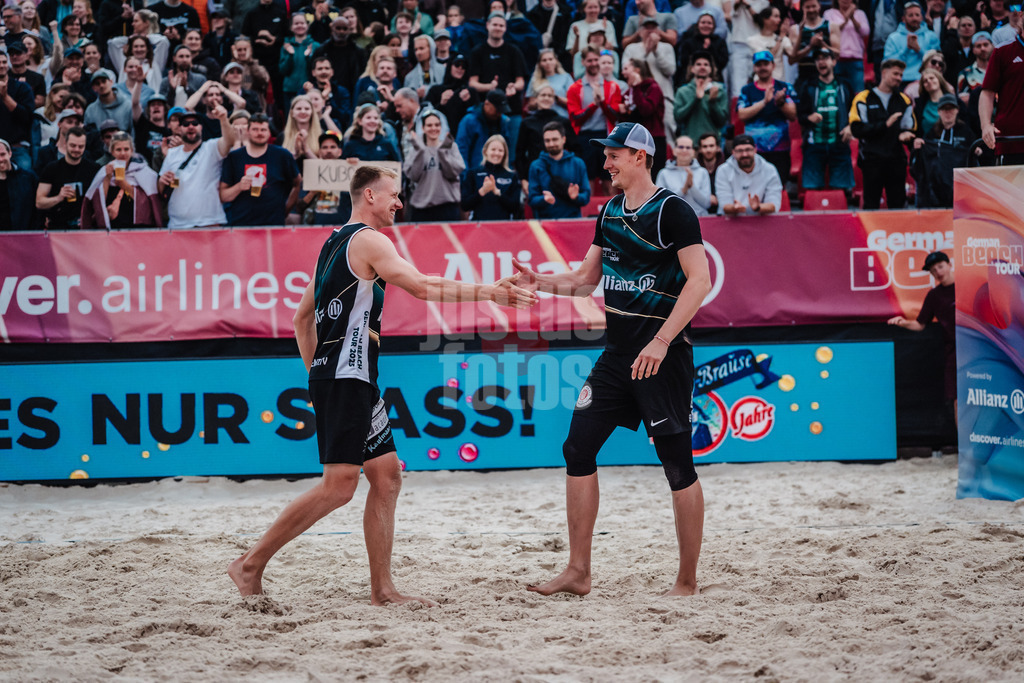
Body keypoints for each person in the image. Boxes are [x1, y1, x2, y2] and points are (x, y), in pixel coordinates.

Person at [227, 165, 536, 601]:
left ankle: (382, 589)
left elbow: (301, 320)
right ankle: (249, 564)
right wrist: (488, 292)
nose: (399, 203)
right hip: (346, 376)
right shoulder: (371, 240)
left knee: (387, 476)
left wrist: (318, 375)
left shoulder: (332, 243)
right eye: (393, 194)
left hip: (347, 376)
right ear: (369, 195)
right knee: (339, 487)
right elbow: (422, 286)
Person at [513, 121, 710, 599]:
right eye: (606, 155)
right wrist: (539, 280)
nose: (606, 163)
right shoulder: (609, 212)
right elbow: (584, 280)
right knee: (577, 449)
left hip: (661, 357)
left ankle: (686, 581)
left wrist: (662, 341)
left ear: (640, 157)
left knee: (677, 465)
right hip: (617, 354)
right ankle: (578, 571)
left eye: (614, 155)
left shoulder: (674, 212)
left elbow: (699, 282)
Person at [888, 251, 956, 417]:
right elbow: (920, 324)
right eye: (933, 270)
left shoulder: (968, 286)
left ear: (949, 265)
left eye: (940, 266)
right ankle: (964, 442)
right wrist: (903, 322)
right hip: (954, 354)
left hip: (979, 350)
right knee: (957, 398)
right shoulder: (934, 295)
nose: (938, 272)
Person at [850, 59, 916, 209]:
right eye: (895, 74)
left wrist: (906, 136)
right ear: (884, 73)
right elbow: (857, 129)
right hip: (871, 160)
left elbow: (909, 128)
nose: (899, 78)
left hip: (896, 161)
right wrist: (884, 125)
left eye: (900, 75)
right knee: (871, 205)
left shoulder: (904, 100)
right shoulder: (863, 98)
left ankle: (898, 233)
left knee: (898, 205)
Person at [158, 105, 237, 229]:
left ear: (201, 127)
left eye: (195, 123)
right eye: (185, 124)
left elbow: (230, 141)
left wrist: (223, 119)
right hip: (178, 224)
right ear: (180, 128)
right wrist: (162, 181)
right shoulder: (171, 154)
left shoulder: (211, 147)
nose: (190, 126)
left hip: (209, 222)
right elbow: (161, 189)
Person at [220, 113, 301, 227]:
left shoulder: (282, 155)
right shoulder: (234, 157)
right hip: (241, 225)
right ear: (247, 131)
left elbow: (297, 183)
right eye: (255, 129)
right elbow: (223, 196)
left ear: (269, 132)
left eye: (263, 129)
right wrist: (239, 187)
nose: (259, 133)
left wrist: (285, 210)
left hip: (274, 225)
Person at [466, 12, 528, 153]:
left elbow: (521, 82)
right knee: (485, 154)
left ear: (505, 28)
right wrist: (489, 87)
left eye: (501, 25)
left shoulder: (513, 51)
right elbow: (472, 83)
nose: (498, 28)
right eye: (495, 24)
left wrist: (513, 86)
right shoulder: (478, 52)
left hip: (511, 109)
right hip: (485, 112)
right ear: (487, 26)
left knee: (510, 154)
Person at [796, 47, 854, 195]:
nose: (821, 62)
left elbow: (855, 111)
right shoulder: (808, 85)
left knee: (841, 190)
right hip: (814, 144)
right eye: (818, 59)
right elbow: (800, 115)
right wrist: (809, 118)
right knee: (812, 190)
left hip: (839, 143)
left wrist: (850, 127)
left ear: (834, 61)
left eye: (825, 58)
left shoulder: (844, 85)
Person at [736, 50, 798, 187]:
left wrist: (780, 103)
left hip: (780, 149)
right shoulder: (747, 90)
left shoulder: (784, 87)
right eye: (759, 65)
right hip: (754, 152)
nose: (762, 67)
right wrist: (764, 102)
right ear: (754, 68)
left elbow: (793, 115)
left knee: (779, 187)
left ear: (773, 65)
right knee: (755, 187)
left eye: (766, 64)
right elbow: (742, 115)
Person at [567, 46, 622, 192]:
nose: (593, 63)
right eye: (589, 60)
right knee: (587, 181)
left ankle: (612, 214)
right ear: (583, 62)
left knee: (610, 180)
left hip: (607, 136)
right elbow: (575, 118)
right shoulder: (575, 88)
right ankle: (588, 214)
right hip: (585, 137)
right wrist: (594, 105)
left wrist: (602, 103)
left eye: (596, 60)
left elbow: (615, 116)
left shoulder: (612, 87)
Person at [82, 132, 162, 228]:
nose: (123, 153)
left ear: (132, 150)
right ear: (112, 151)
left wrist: (124, 185)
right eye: (118, 149)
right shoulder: (105, 170)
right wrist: (107, 178)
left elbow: (148, 202)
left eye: (126, 149)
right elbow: (99, 201)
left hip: (138, 226)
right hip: (114, 226)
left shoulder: (143, 170)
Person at [912, 93, 973, 208]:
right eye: (944, 109)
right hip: (936, 187)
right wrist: (919, 145)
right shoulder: (932, 133)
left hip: (959, 186)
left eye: (951, 109)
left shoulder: (966, 132)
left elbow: (973, 155)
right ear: (939, 112)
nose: (948, 112)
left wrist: (976, 151)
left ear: (957, 110)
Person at [979, 12, 1024, 164]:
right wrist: (985, 125)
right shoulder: (1002, 51)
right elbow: (987, 93)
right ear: (1021, 16)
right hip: (1011, 141)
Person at [403, 111, 464, 222]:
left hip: (447, 207)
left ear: (441, 127)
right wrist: (420, 151)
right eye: (429, 125)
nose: (433, 128)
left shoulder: (451, 146)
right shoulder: (416, 149)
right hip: (422, 208)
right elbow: (413, 176)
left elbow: (453, 173)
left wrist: (442, 152)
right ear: (423, 128)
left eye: (437, 125)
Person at [35, 125, 101, 229]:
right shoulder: (52, 168)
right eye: (73, 145)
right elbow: (39, 202)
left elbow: (101, 201)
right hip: (59, 226)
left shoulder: (94, 169)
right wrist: (59, 197)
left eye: (81, 146)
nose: (76, 149)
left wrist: (90, 218)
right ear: (65, 144)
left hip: (85, 228)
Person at [621, 16, 676, 137]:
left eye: (653, 28)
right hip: (639, 98)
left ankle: (669, 155)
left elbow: (670, 70)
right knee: (639, 135)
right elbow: (627, 71)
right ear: (640, 31)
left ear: (659, 31)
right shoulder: (631, 48)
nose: (650, 31)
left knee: (667, 131)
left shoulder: (667, 47)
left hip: (664, 97)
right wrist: (646, 51)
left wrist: (656, 51)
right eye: (647, 28)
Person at [527, 121, 590, 219]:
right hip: (546, 224)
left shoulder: (578, 163)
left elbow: (586, 196)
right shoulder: (536, 166)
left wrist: (576, 197)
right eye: (547, 140)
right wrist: (544, 199)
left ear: (563, 139)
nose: (551, 144)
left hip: (572, 223)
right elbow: (532, 199)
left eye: (555, 139)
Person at [618, 58, 666, 174]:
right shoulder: (630, 91)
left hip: (654, 140)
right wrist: (621, 110)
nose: (622, 73)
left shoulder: (653, 88)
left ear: (637, 70)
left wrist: (636, 87)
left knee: (653, 177)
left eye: (626, 69)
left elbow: (646, 110)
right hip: (636, 141)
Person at [715, 133, 783, 215]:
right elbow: (724, 205)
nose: (744, 154)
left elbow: (774, 205)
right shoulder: (723, 170)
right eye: (740, 151)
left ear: (755, 150)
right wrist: (735, 208)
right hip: (732, 220)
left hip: (762, 220)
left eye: (748, 150)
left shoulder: (769, 169)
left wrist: (758, 207)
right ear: (733, 152)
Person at [673, 50, 728, 148]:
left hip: (713, 146)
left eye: (706, 64)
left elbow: (722, 121)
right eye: (698, 64)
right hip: (690, 146)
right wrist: (696, 99)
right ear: (692, 69)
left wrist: (713, 102)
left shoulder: (719, 89)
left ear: (711, 69)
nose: (702, 67)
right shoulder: (683, 91)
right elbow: (678, 117)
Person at [461, 134, 520, 220]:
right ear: (485, 151)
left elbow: (516, 208)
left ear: (504, 154)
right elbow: (465, 205)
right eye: (493, 149)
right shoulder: (473, 174)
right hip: (478, 227)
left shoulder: (511, 176)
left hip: (504, 227)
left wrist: (497, 192)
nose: (496, 153)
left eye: (500, 150)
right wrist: (482, 191)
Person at [884, 1, 940, 86]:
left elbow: (938, 61)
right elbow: (888, 63)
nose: (914, 18)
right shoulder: (893, 38)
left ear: (921, 17)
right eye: (910, 15)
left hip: (925, 81)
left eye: (917, 15)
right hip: (901, 81)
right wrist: (906, 49)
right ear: (903, 19)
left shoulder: (931, 36)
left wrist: (919, 50)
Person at [456, 89, 514, 170]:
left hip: (498, 173)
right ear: (487, 104)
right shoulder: (469, 121)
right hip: (474, 173)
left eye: (502, 110)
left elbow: (507, 150)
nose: (499, 113)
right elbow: (461, 150)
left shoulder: (503, 121)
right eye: (497, 110)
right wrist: (466, 176)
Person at [656, 134, 711, 216]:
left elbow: (707, 204)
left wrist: (692, 186)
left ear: (693, 152)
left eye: (688, 147)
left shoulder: (702, 172)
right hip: (673, 220)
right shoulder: (663, 173)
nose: (684, 150)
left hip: (700, 219)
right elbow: (660, 204)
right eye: (681, 147)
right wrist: (683, 190)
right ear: (674, 151)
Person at [787, 0, 839, 86]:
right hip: (804, 78)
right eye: (807, 7)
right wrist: (810, 46)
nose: (811, 10)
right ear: (802, 8)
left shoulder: (830, 26)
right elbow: (791, 60)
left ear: (819, 6)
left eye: (814, 6)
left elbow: (837, 55)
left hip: (827, 79)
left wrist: (823, 44)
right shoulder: (795, 29)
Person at [0, 49, 35, 172]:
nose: (1, 65)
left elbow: (27, 117)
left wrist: (5, 97)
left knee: (26, 176)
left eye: (4, 62)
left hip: (17, 147)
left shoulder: (22, 87)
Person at [824, 0, 870, 94]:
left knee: (858, 93)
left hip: (855, 60)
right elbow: (830, 30)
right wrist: (846, 18)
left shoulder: (860, 14)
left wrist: (852, 18)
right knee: (838, 93)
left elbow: (865, 32)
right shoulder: (829, 13)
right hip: (837, 60)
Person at [674, 13, 729, 88]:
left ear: (713, 26)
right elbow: (684, 62)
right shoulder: (688, 42)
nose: (706, 25)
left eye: (709, 23)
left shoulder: (719, 42)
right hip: (691, 80)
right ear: (697, 25)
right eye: (703, 22)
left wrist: (710, 48)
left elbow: (723, 63)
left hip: (715, 80)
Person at [0, 137, 40, 230]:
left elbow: (38, 208)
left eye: (2, 154)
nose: (0, 159)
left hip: (23, 237)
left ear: (10, 153)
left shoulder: (28, 177)